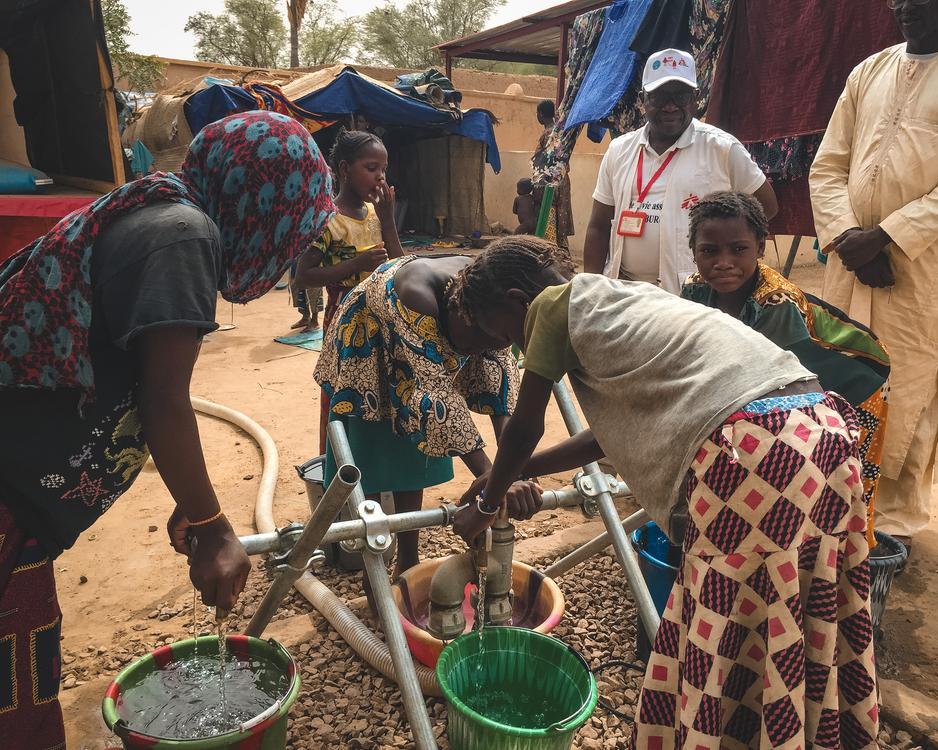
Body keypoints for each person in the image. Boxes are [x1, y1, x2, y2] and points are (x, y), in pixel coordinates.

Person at [0, 111, 335, 748]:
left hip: (19, 500)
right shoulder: (184, 236)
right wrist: (211, 528)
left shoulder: (168, 217)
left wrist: (192, 500)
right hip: (7, 492)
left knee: (22, 674)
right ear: (263, 200)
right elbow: (164, 401)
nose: (293, 246)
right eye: (294, 225)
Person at [451, 263, 878, 749]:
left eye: (505, 334)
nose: (515, 348)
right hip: (819, 429)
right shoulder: (624, 299)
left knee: (720, 620)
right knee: (794, 600)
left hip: (752, 451)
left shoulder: (551, 306)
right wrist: (514, 474)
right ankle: (796, 733)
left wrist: (487, 502)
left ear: (515, 301)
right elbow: (606, 438)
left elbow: (523, 430)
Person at [809, 0, 938, 553]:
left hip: (924, 265)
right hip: (851, 261)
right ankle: (840, 500)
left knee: (912, 381)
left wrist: (888, 235)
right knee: (842, 368)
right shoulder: (867, 71)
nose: (909, 7)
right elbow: (828, 165)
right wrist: (847, 236)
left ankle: (893, 525)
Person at [313, 236, 572, 578]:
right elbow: (439, 399)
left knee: (412, 450)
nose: (495, 347)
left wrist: (510, 473)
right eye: (491, 341)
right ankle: (372, 572)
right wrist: (494, 481)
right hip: (370, 336)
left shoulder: (495, 301)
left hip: (435, 342)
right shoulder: (418, 296)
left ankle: (408, 560)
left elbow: (502, 392)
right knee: (370, 449)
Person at [681, 191, 891, 546]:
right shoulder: (695, 289)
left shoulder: (775, 304)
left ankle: (853, 556)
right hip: (797, 382)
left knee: (845, 481)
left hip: (856, 383)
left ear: (761, 247)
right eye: (709, 251)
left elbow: (755, 385)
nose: (723, 262)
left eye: (738, 249)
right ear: (694, 250)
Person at [583, 48, 778, 293]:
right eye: (660, 96)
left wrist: (727, 256)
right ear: (643, 99)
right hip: (625, 291)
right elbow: (598, 227)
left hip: (692, 295)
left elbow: (767, 207)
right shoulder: (619, 150)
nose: (670, 107)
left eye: (681, 96)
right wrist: (589, 287)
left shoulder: (722, 148)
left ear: (695, 97)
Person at [295, 130, 404, 453]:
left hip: (380, 319)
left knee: (378, 391)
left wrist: (388, 221)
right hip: (344, 320)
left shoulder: (376, 213)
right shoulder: (328, 220)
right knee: (342, 392)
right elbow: (303, 277)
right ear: (344, 170)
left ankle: (373, 465)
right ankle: (335, 466)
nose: (380, 177)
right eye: (371, 168)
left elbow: (401, 265)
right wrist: (354, 264)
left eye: (383, 170)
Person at [533, 99, 574, 248]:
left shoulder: (548, 134)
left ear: (541, 114)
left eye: (537, 113)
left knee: (548, 216)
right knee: (560, 219)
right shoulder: (560, 131)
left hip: (550, 182)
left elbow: (542, 162)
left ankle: (551, 253)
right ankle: (563, 254)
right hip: (563, 180)